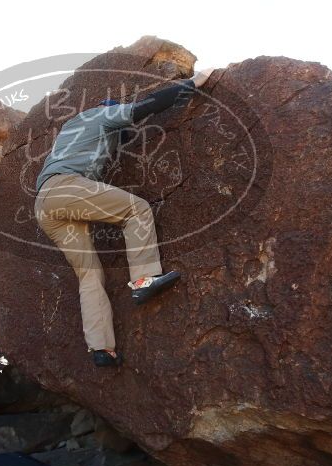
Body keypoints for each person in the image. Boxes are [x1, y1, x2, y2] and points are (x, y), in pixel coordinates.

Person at [35, 68, 214, 367]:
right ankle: (144, 279)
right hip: (66, 188)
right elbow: (148, 107)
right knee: (136, 209)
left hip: (45, 205)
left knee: (89, 275)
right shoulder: (101, 115)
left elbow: (120, 136)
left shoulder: (71, 129)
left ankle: (101, 349)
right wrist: (192, 84)